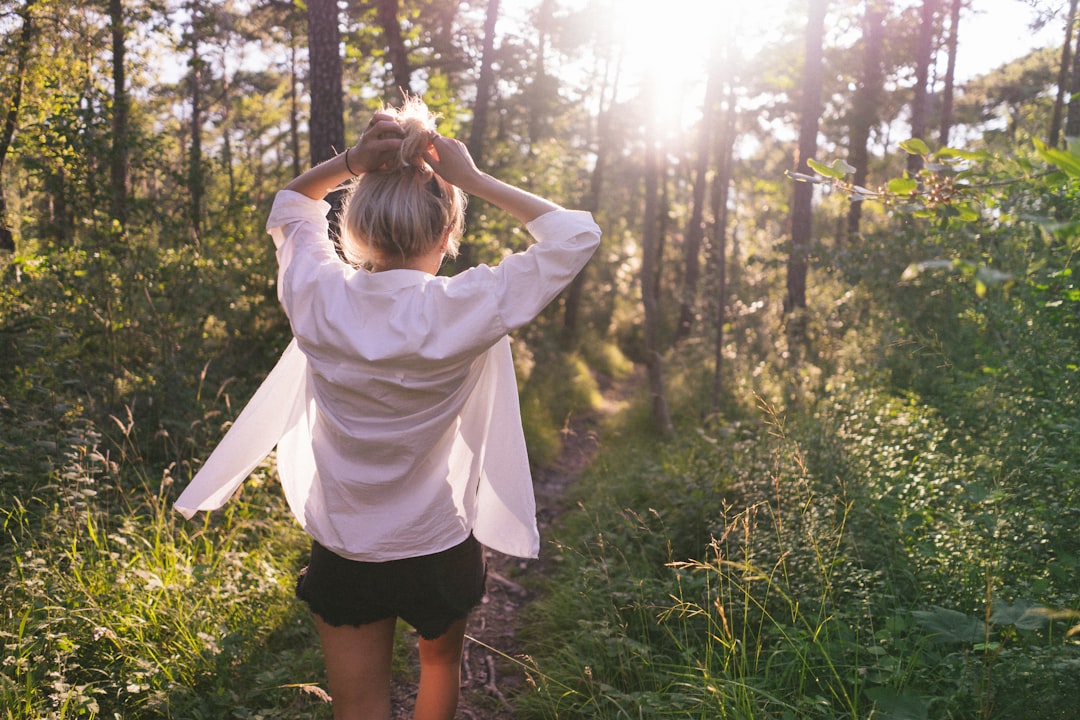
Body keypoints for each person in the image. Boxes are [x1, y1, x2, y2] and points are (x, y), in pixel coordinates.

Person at [173, 95, 601, 720]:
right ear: (450, 232)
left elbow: (291, 207)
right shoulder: (466, 306)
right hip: (438, 540)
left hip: (346, 545)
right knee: (438, 667)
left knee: (359, 708)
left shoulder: (319, 295)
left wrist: (349, 160)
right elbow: (574, 235)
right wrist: (473, 179)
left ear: (353, 228)